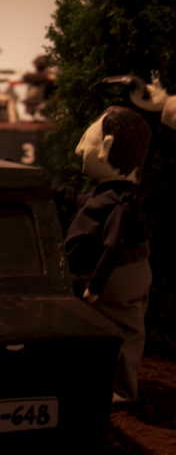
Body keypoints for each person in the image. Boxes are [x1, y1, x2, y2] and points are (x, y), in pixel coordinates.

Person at [57, 106, 152, 404]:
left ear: (106, 147)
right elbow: (80, 200)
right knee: (118, 331)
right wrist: (50, 188)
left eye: (86, 140)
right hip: (114, 274)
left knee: (124, 331)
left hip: (113, 277)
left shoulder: (122, 203)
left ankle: (121, 391)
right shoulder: (108, 194)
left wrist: (95, 286)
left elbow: (112, 246)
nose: (79, 149)